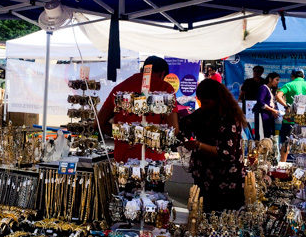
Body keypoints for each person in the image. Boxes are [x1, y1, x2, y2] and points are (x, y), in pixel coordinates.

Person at [181, 78, 247, 212]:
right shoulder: (203, 113)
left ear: (216, 99)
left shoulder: (229, 118)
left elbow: (227, 153)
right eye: (201, 102)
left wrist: (198, 145)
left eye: (206, 102)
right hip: (204, 179)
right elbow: (184, 124)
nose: (203, 105)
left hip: (227, 184)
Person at [97, 56, 179, 162]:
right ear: (163, 74)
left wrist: (124, 134)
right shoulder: (165, 88)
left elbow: (98, 124)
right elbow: (174, 129)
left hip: (123, 159)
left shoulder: (120, 88)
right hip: (153, 160)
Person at [276, 69, 306, 162]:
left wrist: (286, 106)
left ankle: (282, 166)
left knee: (286, 143)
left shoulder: (289, 85)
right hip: (304, 120)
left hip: (290, 119)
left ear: (292, 76)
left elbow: (278, 96)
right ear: (303, 76)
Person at [253, 72, 280, 140]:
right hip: (263, 115)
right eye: (276, 80)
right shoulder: (263, 88)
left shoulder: (270, 89)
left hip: (268, 116)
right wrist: (273, 110)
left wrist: (274, 111)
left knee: (269, 135)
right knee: (263, 135)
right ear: (270, 79)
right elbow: (261, 102)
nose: (278, 82)